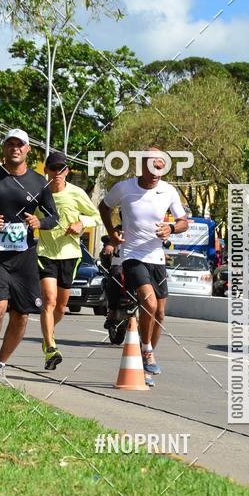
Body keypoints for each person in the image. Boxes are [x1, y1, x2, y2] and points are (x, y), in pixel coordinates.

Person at [0, 129, 59, 383]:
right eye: (10, 144)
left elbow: (54, 217)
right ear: (4, 149)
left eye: (20, 145)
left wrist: (39, 222)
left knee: (22, 314)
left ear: (28, 149)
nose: (15, 148)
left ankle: (1, 364)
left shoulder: (39, 182)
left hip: (24, 256)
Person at [99, 148, 188, 376]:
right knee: (149, 304)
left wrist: (171, 228)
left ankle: (144, 363)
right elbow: (104, 207)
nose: (157, 172)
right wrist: (111, 233)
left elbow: (183, 222)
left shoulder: (168, 191)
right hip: (132, 255)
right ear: (141, 166)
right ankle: (147, 350)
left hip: (156, 257)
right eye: (153, 166)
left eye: (161, 167)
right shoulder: (124, 188)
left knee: (160, 313)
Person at [36, 152, 102, 369]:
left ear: (67, 171)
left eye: (61, 169)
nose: (57, 173)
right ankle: (51, 347)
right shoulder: (39, 193)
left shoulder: (76, 193)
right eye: (53, 168)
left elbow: (96, 216)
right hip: (45, 253)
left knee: (61, 307)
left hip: (70, 255)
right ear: (46, 170)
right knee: (50, 300)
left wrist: (81, 223)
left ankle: (47, 335)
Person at [99, 223, 124, 328]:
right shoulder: (118, 231)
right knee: (115, 277)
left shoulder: (146, 228)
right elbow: (110, 239)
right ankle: (112, 312)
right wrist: (110, 244)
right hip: (120, 265)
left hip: (139, 264)